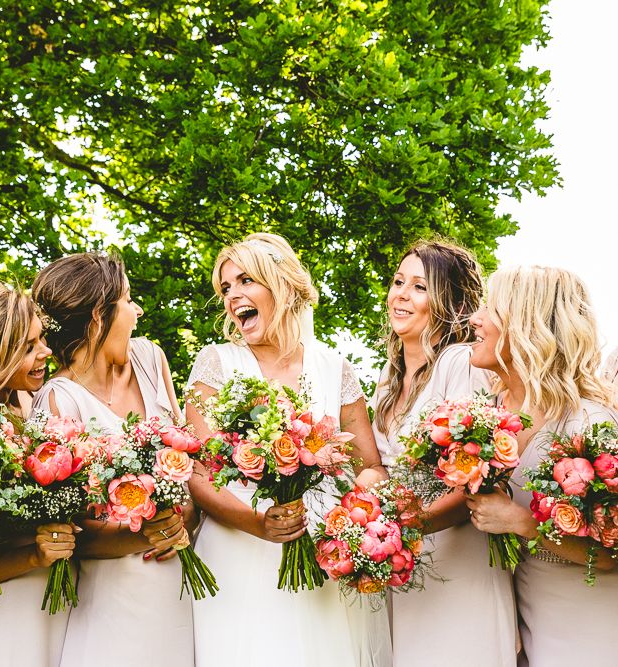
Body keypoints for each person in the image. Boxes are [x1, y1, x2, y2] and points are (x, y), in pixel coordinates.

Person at [187, 233, 391, 667]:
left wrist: (351, 516)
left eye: (245, 280)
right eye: (225, 288)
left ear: (281, 284)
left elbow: (369, 466)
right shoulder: (216, 363)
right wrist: (257, 522)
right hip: (237, 552)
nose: (232, 296)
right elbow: (199, 473)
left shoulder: (333, 367)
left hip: (320, 551)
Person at [31, 252, 194, 667]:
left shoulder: (150, 358)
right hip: (116, 589)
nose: (136, 310)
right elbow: (71, 531)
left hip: (184, 573)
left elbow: (187, 455)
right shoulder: (57, 399)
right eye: (126, 300)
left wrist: (185, 516)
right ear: (98, 318)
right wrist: (147, 534)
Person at [370, 240, 516, 666]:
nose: (400, 295)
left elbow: (482, 474)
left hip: (457, 554)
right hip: (406, 561)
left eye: (419, 287)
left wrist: (403, 529)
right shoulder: (388, 378)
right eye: (399, 282)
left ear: (448, 300)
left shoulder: (460, 363)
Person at [467, 266, 618, 667]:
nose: (474, 319)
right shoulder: (487, 419)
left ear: (527, 326)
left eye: (491, 309)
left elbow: (612, 555)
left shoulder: (588, 423)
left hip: (588, 626)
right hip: (519, 622)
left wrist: (520, 522)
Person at [0, 279, 75, 667]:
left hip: (66, 599)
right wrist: (36, 556)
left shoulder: (33, 403)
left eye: (42, 340)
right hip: (6, 608)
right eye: (29, 347)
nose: (46, 352)